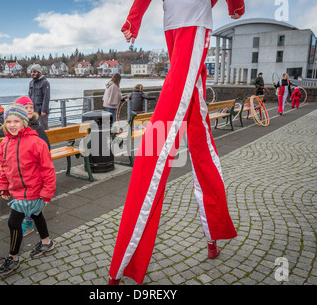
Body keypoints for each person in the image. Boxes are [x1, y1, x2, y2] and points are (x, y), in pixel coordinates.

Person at [108, 0, 244, 285]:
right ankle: (124, 263)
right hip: (189, 22)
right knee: (160, 143)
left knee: (196, 138)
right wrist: (236, 6)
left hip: (181, 22)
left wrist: (133, 21)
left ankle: (212, 237)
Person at [0, 104, 56, 276]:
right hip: (16, 191)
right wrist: (3, 186)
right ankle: (46, 242)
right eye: (8, 121)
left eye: (16, 121)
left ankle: (13, 258)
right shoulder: (4, 144)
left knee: (14, 223)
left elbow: (48, 170)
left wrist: (46, 193)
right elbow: (4, 168)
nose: (12, 125)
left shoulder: (37, 143)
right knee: (37, 215)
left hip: (33, 191)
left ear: (24, 122)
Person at [15, 96, 51, 237]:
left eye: (30, 107)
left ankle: (28, 222)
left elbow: (45, 149)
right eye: (25, 108)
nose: (29, 110)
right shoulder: (17, 127)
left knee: (30, 198)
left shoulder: (35, 128)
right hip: (22, 170)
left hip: (34, 170)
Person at [28, 64, 51, 130]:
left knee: (43, 128)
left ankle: (45, 140)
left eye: (34, 72)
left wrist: (44, 110)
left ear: (39, 72)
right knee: (33, 128)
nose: (33, 73)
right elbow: (29, 96)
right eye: (31, 72)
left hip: (41, 111)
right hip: (33, 111)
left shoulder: (45, 82)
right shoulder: (31, 83)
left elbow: (46, 97)